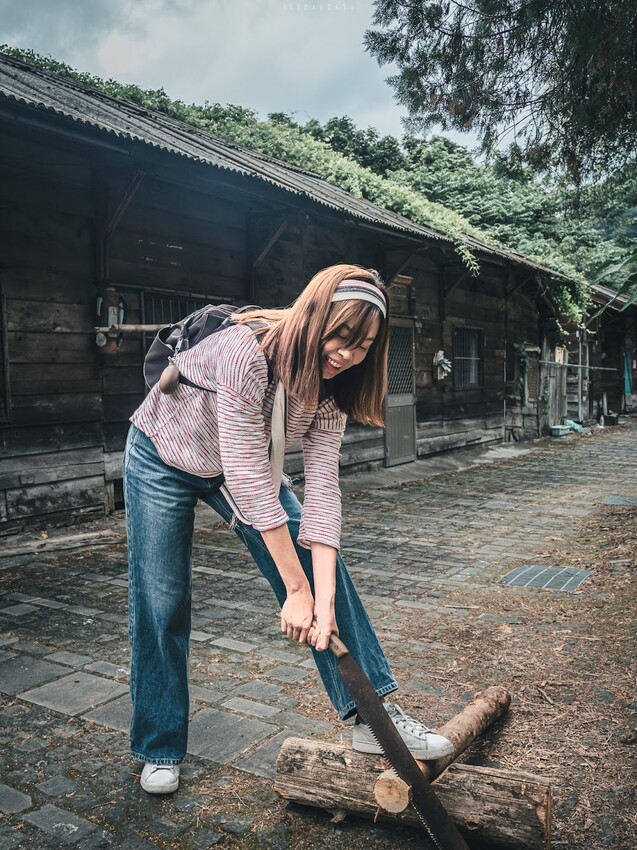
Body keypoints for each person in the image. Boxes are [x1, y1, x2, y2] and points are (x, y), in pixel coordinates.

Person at [124, 263, 453, 795]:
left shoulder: (333, 390)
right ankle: (159, 747)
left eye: (363, 345)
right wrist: (296, 590)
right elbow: (251, 483)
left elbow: (323, 493)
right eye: (341, 335)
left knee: (328, 573)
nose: (346, 354)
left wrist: (321, 600)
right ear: (313, 315)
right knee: (161, 598)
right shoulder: (244, 355)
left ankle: (372, 717)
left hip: (244, 464)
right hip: (163, 454)